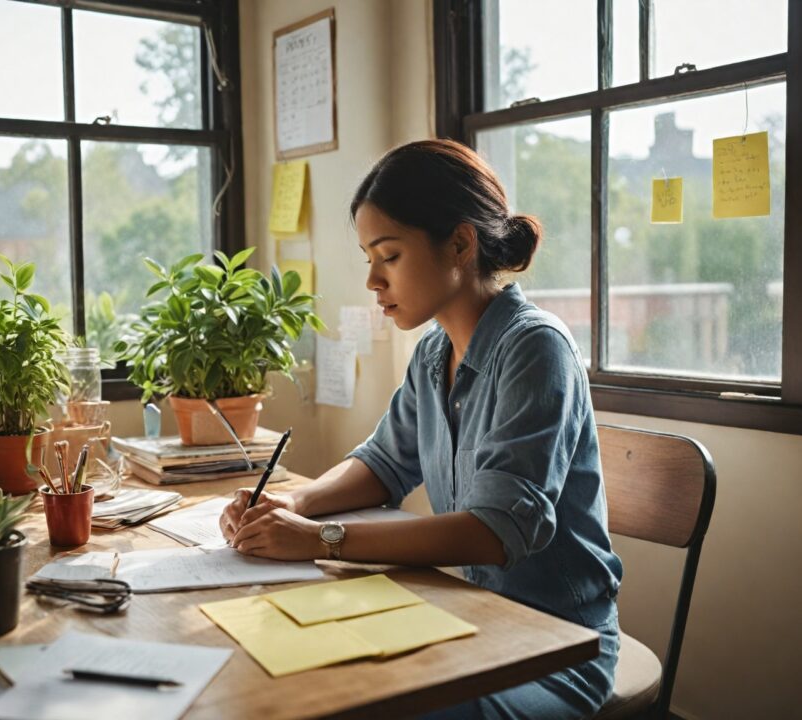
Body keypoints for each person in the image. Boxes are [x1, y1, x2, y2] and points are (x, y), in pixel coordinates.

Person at [220, 138, 623, 719]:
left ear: (460, 242)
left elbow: (493, 532)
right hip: (471, 618)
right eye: (369, 258)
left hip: (555, 647)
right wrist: (290, 503)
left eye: (390, 255)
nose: (373, 282)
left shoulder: (537, 348)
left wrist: (318, 540)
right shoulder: (435, 351)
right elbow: (383, 464)